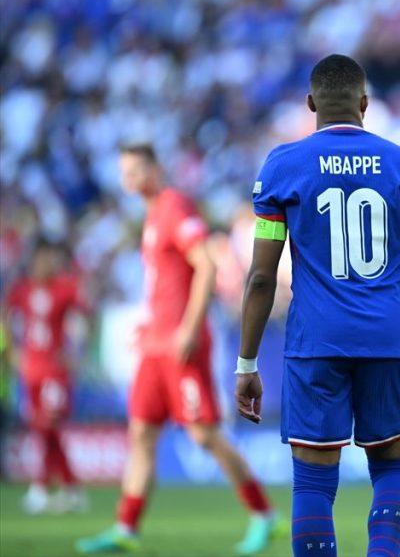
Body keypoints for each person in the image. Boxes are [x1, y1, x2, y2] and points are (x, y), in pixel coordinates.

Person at [234, 54, 400, 557]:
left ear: (311, 103)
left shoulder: (283, 166)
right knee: (393, 466)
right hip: (387, 339)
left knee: (313, 483)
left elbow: (262, 276)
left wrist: (246, 362)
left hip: (316, 342)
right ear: (365, 104)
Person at [76, 145, 277, 555]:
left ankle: (263, 514)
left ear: (156, 168)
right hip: (155, 344)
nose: (129, 179)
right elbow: (165, 283)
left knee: (204, 435)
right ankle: (126, 528)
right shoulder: (151, 215)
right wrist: (150, 324)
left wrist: (187, 328)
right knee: (141, 433)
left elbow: (206, 264)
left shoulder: (174, 207)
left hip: (181, 345)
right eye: (124, 172)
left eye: (136, 170)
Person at [3, 241, 89, 514]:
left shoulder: (65, 288)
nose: (45, 265)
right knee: (45, 429)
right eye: (41, 260)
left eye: (49, 260)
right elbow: (5, 316)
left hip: (55, 370)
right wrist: (12, 351)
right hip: (31, 370)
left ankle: (40, 488)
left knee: (47, 425)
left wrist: (77, 352)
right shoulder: (22, 290)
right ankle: (71, 488)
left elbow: (86, 316)